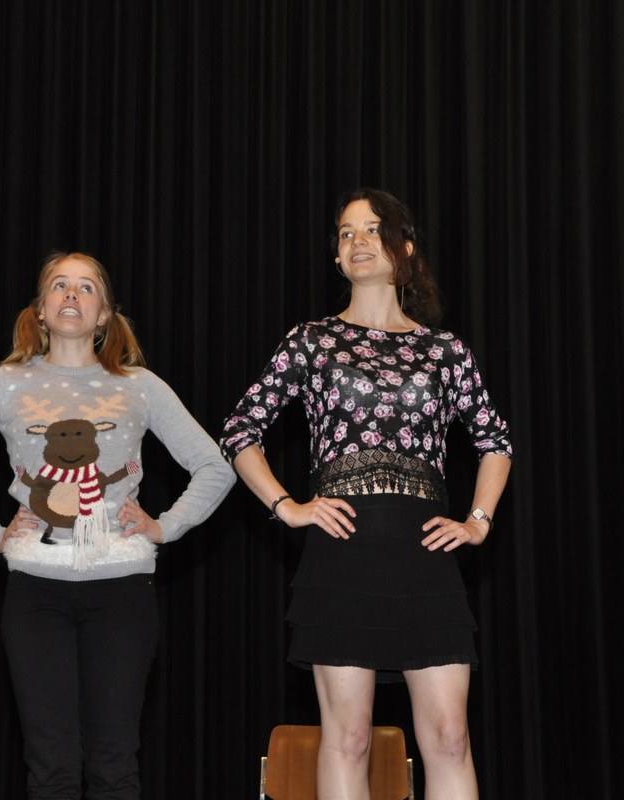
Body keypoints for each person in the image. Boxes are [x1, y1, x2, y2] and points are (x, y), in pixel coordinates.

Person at [220, 189, 512, 800]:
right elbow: (240, 431)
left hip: (426, 559)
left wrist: (478, 521)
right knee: (348, 740)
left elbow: (495, 441)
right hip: (341, 556)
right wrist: (286, 506)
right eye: (347, 232)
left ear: (404, 247)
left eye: (374, 229)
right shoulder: (311, 341)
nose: (358, 241)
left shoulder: (445, 350)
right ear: (336, 256)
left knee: (450, 738)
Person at [0, 251, 235, 800]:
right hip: (36, 593)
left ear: (104, 314)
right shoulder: (6, 384)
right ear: (40, 309)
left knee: (114, 763)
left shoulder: (139, 386)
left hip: (122, 591)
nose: (71, 295)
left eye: (86, 288)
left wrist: (166, 526)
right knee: (50, 766)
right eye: (59, 285)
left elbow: (215, 467)